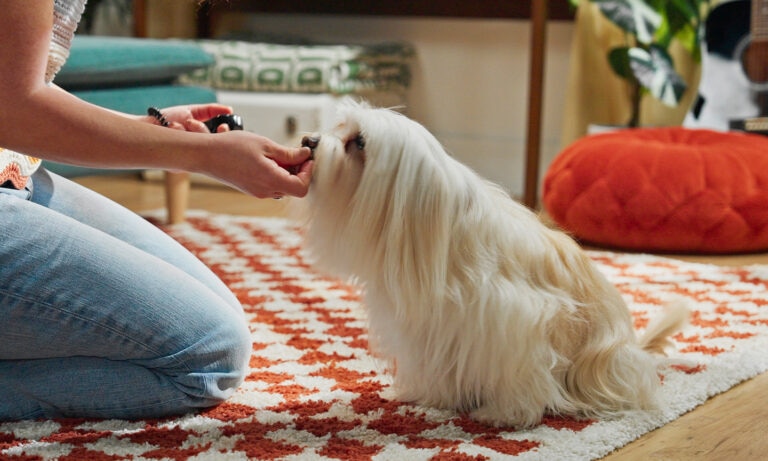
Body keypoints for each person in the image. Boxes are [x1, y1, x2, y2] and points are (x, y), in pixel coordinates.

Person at [0, 0, 314, 420]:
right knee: (208, 359)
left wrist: (147, 128)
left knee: (215, 316)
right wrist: (202, 155)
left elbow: (14, 80)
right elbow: (13, 110)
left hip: (13, 172)